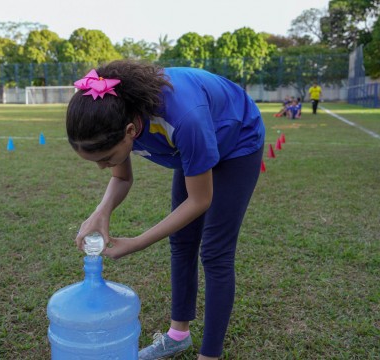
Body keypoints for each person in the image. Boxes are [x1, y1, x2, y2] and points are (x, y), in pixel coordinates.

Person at [66, 60, 265, 360]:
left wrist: (136, 243)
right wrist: (100, 212)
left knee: (215, 251)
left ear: (130, 131)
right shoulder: (117, 112)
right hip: (192, 146)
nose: (102, 166)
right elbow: (121, 177)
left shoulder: (184, 119)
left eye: (106, 157)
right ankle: (178, 335)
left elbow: (200, 201)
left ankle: (210, 355)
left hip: (237, 140)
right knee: (182, 241)